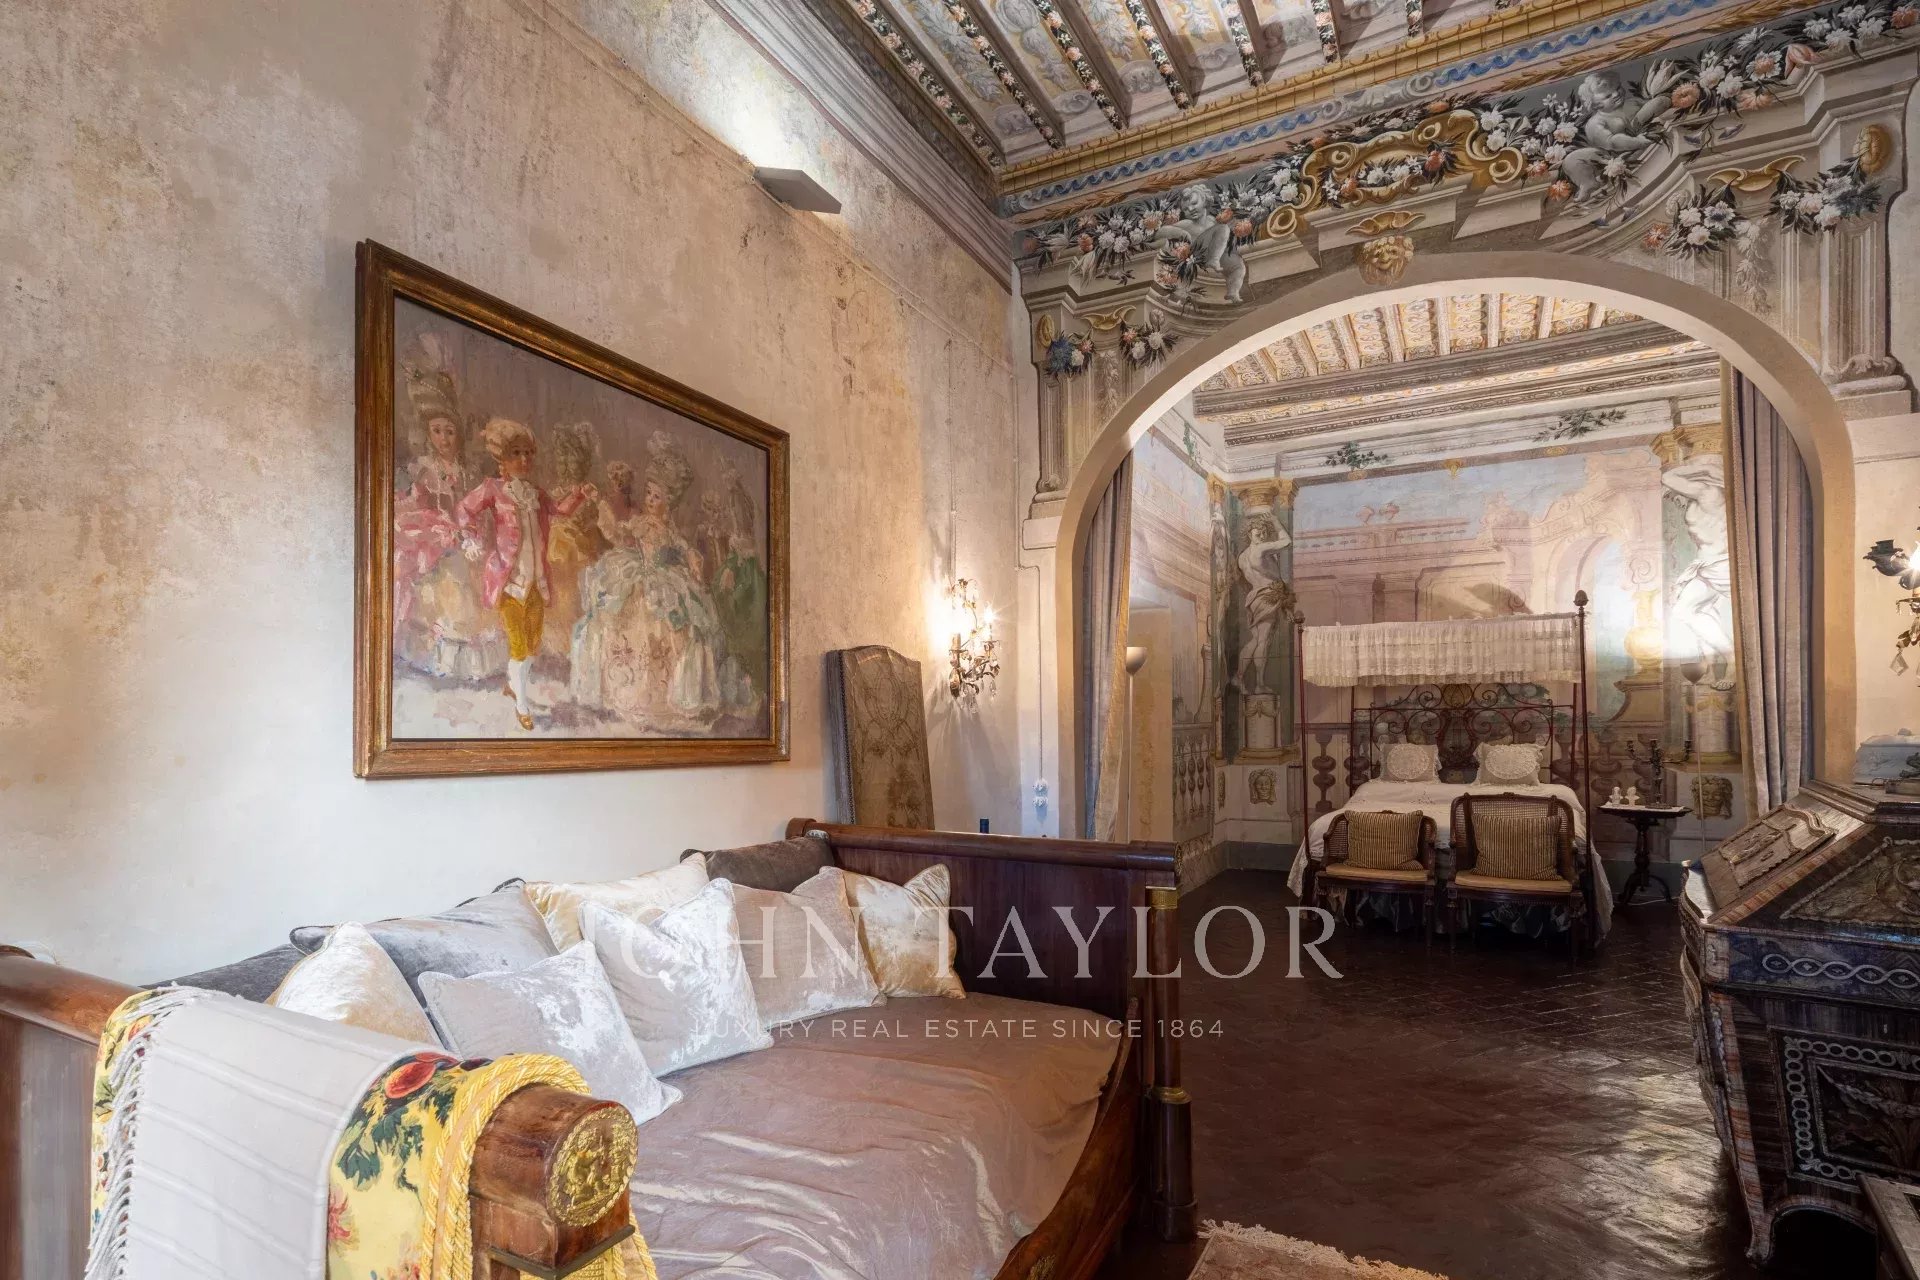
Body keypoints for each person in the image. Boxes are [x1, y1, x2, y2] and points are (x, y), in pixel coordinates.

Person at [457, 418, 595, 730]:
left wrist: (580, 494)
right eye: (516, 453)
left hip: (536, 582)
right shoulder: (493, 489)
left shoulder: (536, 493)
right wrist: (470, 537)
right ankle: (522, 704)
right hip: (509, 582)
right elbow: (465, 509)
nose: (524, 460)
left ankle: (512, 683)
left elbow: (560, 511)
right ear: (502, 458)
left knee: (532, 645)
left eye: (528, 453)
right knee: (518, 645)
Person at [392, 344, 500, 680]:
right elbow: (418, 510)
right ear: (428, 433)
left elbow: (477, 509)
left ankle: (473, 658)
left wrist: (473, 534)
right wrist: (444, 531)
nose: (444, 439)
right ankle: (441, 654)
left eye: (450, 432)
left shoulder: (468, 472)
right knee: (453, 579)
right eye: (437, 431)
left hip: (466, 540)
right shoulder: (424, 469)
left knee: (479, 573)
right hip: (436, 545)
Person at [1662, 454, 1735, 673]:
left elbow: (1668, 477)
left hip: (1720, 565)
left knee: (1688, 610)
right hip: (1706, 565)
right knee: (1688, 610)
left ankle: (1732, 659)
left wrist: (1707, 471)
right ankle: (1716, 665)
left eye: (1693, 470)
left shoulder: (1710, 492)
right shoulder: (1702, 498)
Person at [542, 422, 607, 659]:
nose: (566, 467)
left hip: (579, 550)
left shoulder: (588, 491)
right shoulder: (555, 491)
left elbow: (597, 522)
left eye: (571, 461)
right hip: (554, 550)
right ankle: (553, 646)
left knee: (573, 593)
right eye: (562, 461)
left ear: (582, 463)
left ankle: (571, 646)